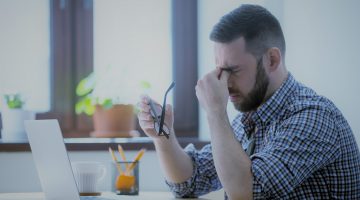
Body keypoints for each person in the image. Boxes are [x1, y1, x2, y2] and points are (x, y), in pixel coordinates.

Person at [137, 4, 360, 200]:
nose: (223, 82)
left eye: (232, 70)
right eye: (219, 70)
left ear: (272, 60)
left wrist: (215, 112)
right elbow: (189, 182)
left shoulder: (313, 117)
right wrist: (163, 135)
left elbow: (248, 193)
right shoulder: (249, 118)